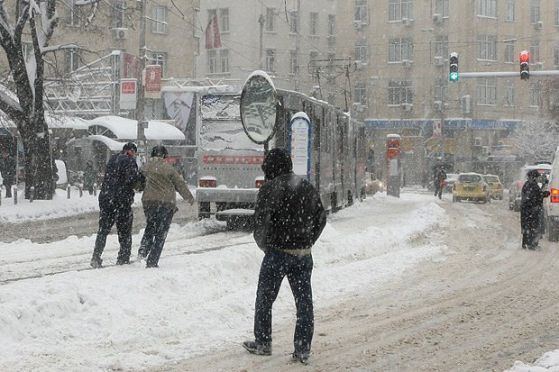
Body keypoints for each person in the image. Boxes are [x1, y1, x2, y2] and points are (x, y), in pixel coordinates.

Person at [242, 148, 327, 364]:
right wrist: (307, 241)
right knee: (304, 302)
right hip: (303, 254)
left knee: (265, 298)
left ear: (270, 167)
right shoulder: (305, 186)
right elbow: (321, 217)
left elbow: (260, 224)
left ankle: (263, 342)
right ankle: (302, 349)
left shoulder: (270, 189)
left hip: (277, 253)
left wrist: (267, 246)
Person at [138, 145, 194, 268]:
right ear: (164, 156)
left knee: (150, 226)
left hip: (148, 202)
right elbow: (180, 184)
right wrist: (189, 198)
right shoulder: (169, 169)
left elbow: (138, 182)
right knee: (161, 233)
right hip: (165, 203)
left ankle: (143, 249)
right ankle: (152, 261)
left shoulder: (145, 167)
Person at [90, 142, 144, 268]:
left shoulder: (112, 160)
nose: (134, 156)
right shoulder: (130, 161)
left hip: (106, 198)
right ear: (131, 151)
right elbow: (132, 180)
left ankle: (96, 256)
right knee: (124, 231)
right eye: (134, 153)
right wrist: (140, 178)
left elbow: (109, 178)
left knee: (103, 231)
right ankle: (123, 258)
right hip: (121, 201)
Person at [521, 169, 550, 249]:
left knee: (527, 226)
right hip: (531, 210)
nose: (537, 179)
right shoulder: (532, 185)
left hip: (527, 210)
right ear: (533, 177)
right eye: (537, 177)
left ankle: (526, 243)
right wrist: (544, 194)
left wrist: (542, 192)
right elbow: (535, 196)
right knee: (533, 226)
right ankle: (531, 244)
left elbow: (534, 195)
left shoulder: (527, 184)